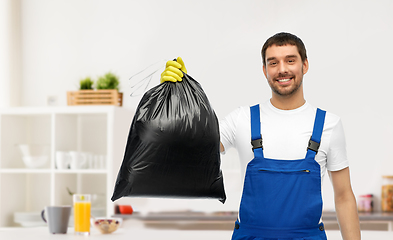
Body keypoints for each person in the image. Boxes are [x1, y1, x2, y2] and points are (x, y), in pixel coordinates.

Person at [160, 32, 361, 240]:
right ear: (265, 70)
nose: (282, 69)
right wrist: (176, 96)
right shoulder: (241, 119)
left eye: (290, 60)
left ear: (305, 65)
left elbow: (344, 196)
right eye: (273, 63)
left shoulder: (329, 124)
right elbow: (193, 149)